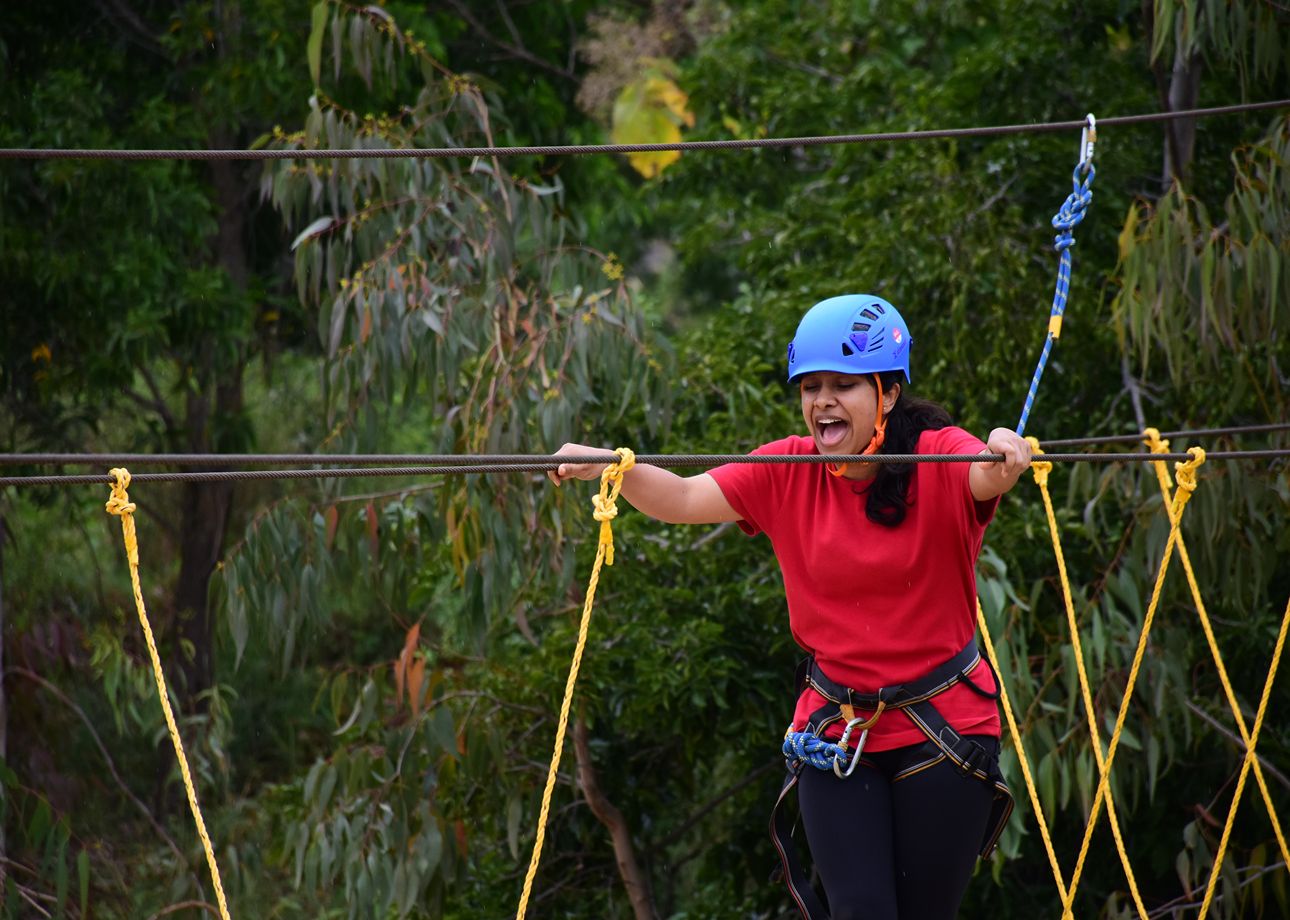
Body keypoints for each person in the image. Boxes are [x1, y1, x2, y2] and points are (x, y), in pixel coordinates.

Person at [548, 293, 1033, 919]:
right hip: (836, 729)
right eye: (810, 386)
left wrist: (1004, 454)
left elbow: (981, 473)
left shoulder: (937, 455)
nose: (822, 401)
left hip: (944, 729)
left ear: (887, 394)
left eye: (843, 384)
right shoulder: (787, 469)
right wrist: (610, 466)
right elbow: (686, 496)